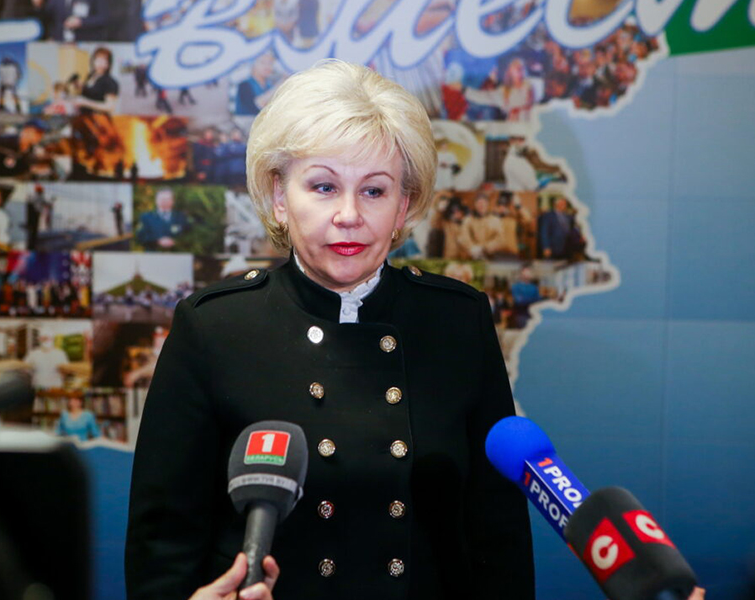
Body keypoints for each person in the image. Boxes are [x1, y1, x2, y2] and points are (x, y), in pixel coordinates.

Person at [126, 60, 534, 600]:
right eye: (323, 186)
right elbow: (161, 547)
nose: (348, 215)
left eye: (374, 191)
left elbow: (498, 538)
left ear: (404, 205)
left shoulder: (458, 322)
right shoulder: (214, 327)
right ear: (279, 196)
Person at [74, 47, 119, 115]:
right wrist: (81, 86)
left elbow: (110, 107)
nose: (100, 63)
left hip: (98, 119)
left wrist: (85, 102)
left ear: (108, 64)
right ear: (93, 60)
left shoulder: (110, 82)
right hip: (84, 117)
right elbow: (92, 92)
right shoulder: (90, 76)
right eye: (98, 59)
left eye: (104, 60)